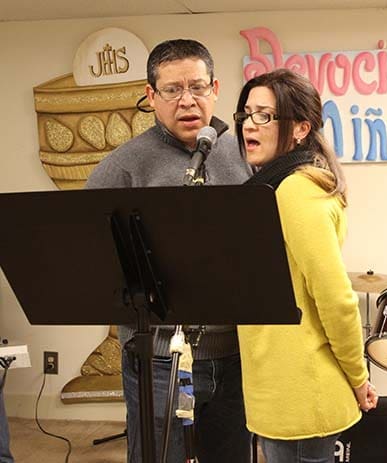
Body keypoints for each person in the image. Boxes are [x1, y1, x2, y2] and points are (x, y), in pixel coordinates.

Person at [86, 39, 253, 462]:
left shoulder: (244, 155)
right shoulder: (122, 167)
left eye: (197, 87)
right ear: (150, 96)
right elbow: (92, 263)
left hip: (236, 354)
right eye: (172, 90)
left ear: (216, 88)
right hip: (158, 360)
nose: (187, 101)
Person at [233, 68, 378, 463]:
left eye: (264, 115)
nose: (250, 124)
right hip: (283, 390)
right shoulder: (276, 187)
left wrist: (358, 376)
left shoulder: (296, 190)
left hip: (301, 391)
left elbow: (335, 297)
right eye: (247, 114)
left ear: (300, 128)